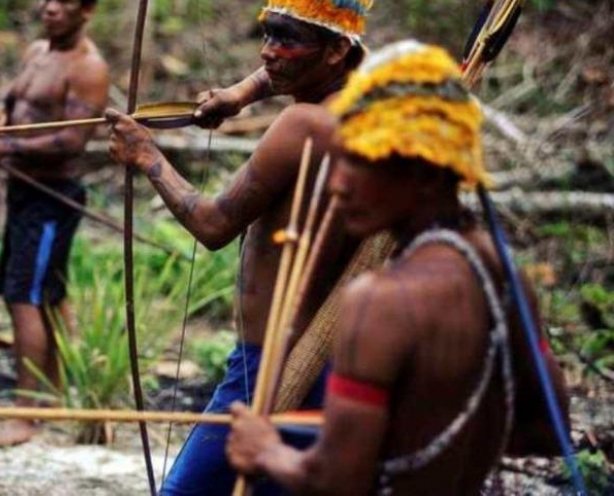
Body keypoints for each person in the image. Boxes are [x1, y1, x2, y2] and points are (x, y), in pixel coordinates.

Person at [226, 40, 570, 495]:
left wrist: (267, 449)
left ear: (426, 174)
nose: (338, 184)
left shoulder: (378, 302)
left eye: (361, 162)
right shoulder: (503, 273)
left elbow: (335, 482)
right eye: (340, 158)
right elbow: (547, 431)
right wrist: (426, 435)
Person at [108, 0, 373, 493]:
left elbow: (213, 225)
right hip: (327, 359)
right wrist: (239, 94)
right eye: (267, 34)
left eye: (287, 40)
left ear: (336, 51)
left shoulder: (302, 125)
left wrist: (148, 157)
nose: (269, 52)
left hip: (272, 365)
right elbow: (283, 64)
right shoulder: (368, 109)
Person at [0, 0, 110, 447]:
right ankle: (54, 395)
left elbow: (72, 139)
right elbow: (14, 102)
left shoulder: (88, 67)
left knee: (26, 297)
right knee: (42, 293)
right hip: (23, 192)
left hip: (52, 198)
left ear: (86, 10)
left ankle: (27, 415)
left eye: (64, 0)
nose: (50, 6)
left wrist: (1, 148)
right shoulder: (37, 51)